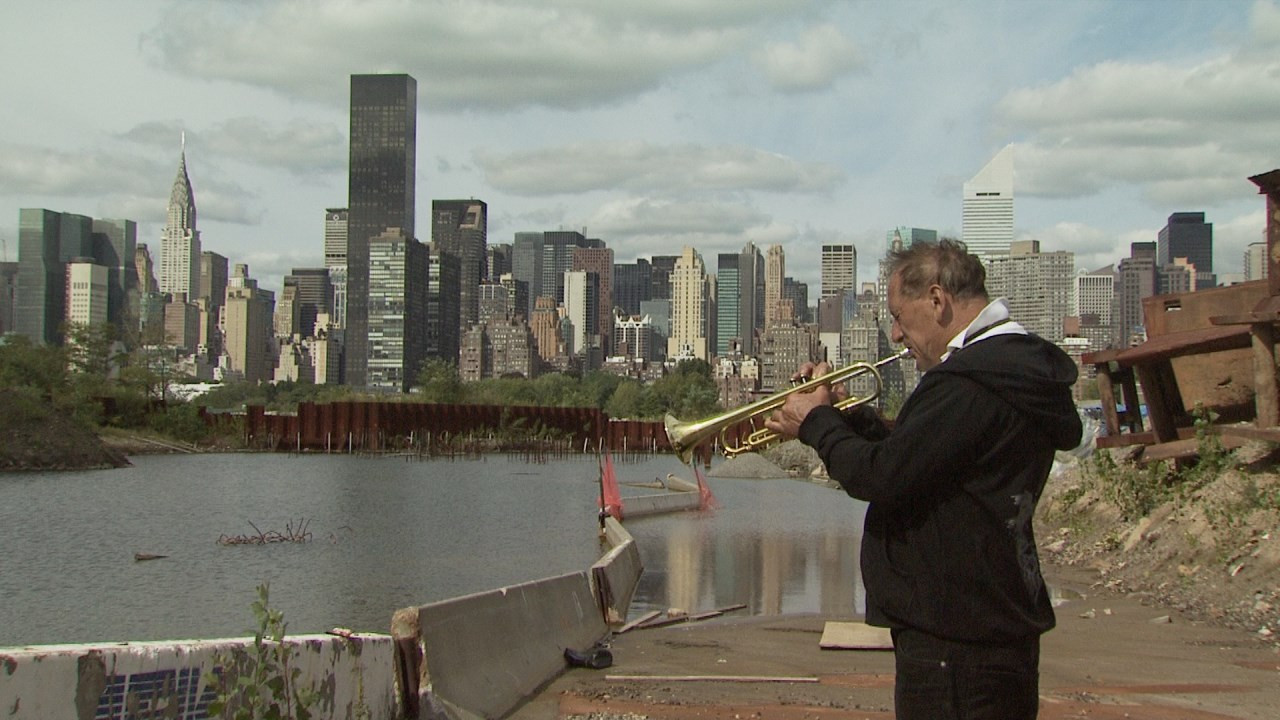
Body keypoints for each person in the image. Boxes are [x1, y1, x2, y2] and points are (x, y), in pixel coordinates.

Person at [765, 238, 1082, 720]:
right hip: (991, 624)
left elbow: (879, 476)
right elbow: (924, 460)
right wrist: (846, 417)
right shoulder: (1008, 373)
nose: (894, 334)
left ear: (937, 301)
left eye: (897, 315)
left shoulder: (967, 382)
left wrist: (817, 424)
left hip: (952, 638)